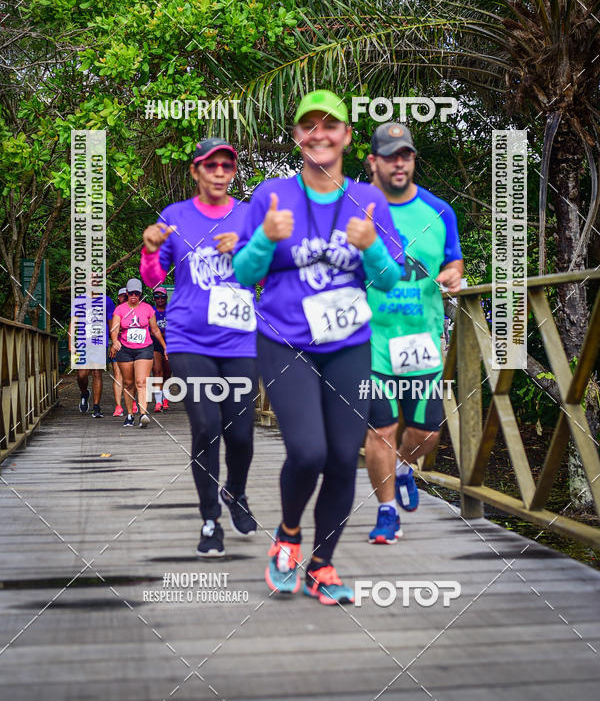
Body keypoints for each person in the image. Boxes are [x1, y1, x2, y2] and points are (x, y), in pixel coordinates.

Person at [233, 90, 404, 604]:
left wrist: (370, 247)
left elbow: (389, 279)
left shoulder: (368, 200)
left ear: (347, 137)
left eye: (331, 126)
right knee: (308, 452)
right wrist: (265, 238)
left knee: (343, 457)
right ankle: (288, 535)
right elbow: (244, 272)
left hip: (349, 343)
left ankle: (322, 566)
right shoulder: (271, 195)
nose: (320, 134)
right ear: (297, 137)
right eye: (309, 125)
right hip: (286, 340)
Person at [140, 138, 258, 557]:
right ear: (195, 171)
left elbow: (266, 271)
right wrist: (151, 249)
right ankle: (210, 518)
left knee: (240, 432)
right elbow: (153, 279)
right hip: (190, 339)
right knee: (207, 427)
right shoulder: (175, 216)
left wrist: (244, 249)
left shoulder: (248, 215)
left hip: (240, 339)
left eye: (227, 165)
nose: (220, 172)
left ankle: (236, 492)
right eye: (211, 165)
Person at [364, 123, 463, 544]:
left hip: (421, 339)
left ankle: (404, 465)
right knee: (380, 430)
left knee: (427, 432)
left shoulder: (439, 211)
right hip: (371, 339)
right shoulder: (355, 206)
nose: (399, 163)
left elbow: (454, 261)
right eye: (390, 156)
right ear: (373, 162)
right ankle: (387, 511)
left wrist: (453, 275)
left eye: (405, 154)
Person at [109, 278, 167, 427]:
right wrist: (114, 341)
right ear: (127, 293)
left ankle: (143, 414)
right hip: (125, 349)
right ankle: (130, 415)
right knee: (128, 383)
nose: (134, 296)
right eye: (131, 293)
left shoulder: (148, 309)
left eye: (137, 293)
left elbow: (155, 329)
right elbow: (114, 328)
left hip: (144, 348)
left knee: (141, 382)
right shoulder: (120, 309)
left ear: (141, 294)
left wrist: (164, 346)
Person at [68, 293, 116, 418]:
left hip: (100, 342)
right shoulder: (79, 300)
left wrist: (114, 342)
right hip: (82, 343)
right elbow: (73, 322)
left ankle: (96, 407)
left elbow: (111, 323)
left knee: (96, 373)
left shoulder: (107, 301)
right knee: (81, 375)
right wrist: (71, 343)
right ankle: (84, 393)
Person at [151, 286, 171, 412]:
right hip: (155, 344)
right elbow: (151, 330)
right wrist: (160, 333)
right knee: (157, 371)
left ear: (166, 297)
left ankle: (165, 398)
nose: (160, 299)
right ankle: (158, 402)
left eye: (162, 297)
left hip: (171, 344)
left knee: (167, 372)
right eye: (157, 297)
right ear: (153, 298)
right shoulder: (151, 311)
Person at [112, 287, 128, 417]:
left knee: (132, 376)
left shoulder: (136, 309)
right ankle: (118, 406)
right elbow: (112, 329)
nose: (124, 298)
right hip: (118, 345)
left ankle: (133, 402)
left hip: (133, 346)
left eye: (126, 296)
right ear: (118, 297)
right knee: (118, 375)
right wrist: (113, 344)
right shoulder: (116, 311)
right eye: (122, 296)